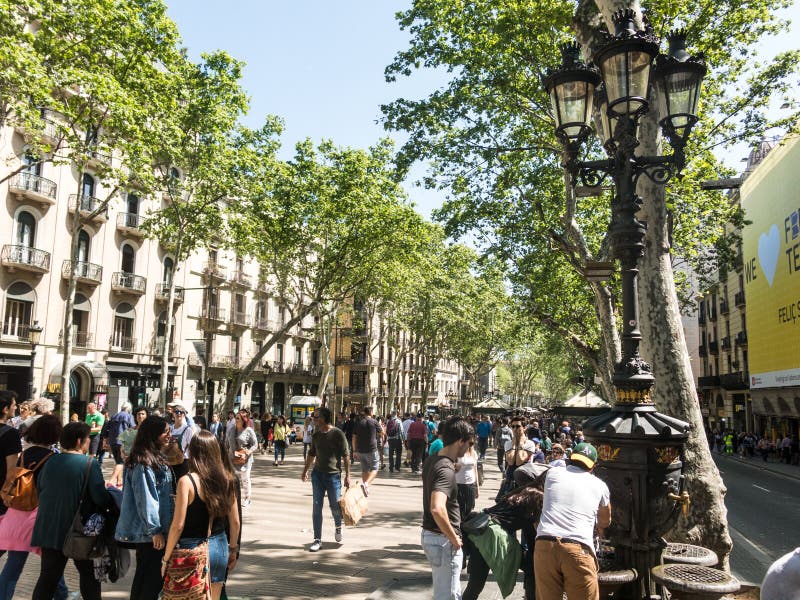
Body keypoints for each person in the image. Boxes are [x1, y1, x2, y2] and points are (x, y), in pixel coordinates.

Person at [31, 421, 112, 600]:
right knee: (89, 578)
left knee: (47, 578)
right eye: (87, 439)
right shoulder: (89, 463)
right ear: (78, 441)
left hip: (49, 529)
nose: (89, 442)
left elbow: (40, 489)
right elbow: (100, 497)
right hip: (79, 531)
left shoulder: (50, 461)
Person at [162, 431, 240, 600]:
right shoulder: (228, 479)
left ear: (193, 452)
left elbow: (178, 525)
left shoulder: (186, 482)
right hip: (219, 546)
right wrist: (233, 548)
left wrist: (166, 558)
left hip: (191, 548)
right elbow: (235, 521)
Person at [0, 415, 69, 600]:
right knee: (51, 564)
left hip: (16, 517)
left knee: (13, 565)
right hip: (41, 517)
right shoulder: (54, 459)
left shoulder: (23, 455)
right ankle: (62, 595)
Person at [534, 442, 611, 600]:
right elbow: (605, 520)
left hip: (544, 545)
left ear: (569, 459)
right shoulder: (600, 486)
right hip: (577, 549)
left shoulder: (553, 473)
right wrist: (600, 527)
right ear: (593, 466)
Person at [114, 415, 174, 599]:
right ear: (153, 434)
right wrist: (154, 530)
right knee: (149, 581)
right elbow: (146, 499)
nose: (169, 435)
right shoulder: (143, 463)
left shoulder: (153, 458)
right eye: (165, 432)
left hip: (154, 531)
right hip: (150, 534)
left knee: (145, 579)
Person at [421, 416, 474, 600]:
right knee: (449, 596)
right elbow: (437, 508)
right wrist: (454, 539)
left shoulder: (433, 460)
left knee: (442, 593)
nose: (469, 448)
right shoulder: (445, 469)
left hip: (433, 536)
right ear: (460, 441)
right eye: (469, 443)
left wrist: (453, 466)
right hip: (443, 540)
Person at [301, 406, 350, 552]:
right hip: (317, 475)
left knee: (335, 506)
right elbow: (311, 454)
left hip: (333, 476)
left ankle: (338, 526)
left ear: (323, 418)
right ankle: (317, 539)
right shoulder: (316, 435)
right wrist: (305, 471)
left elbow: (346, 455)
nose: (313, 419)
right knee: (317, 507)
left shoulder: (337, 434)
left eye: (316, 417)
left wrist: (348, 475)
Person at [352, 406, 381, 497]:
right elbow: (382, 432)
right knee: (374, 469)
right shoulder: (374, 422)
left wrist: (354, 450)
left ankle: (366, 489)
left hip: (360, 450)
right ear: (371, 412)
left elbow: (354, 437)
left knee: (365, 469)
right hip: (372, 450)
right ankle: (366, 484)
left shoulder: (358, 422)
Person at [107, 402, 136, 487]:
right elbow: (132, 428)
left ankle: (119, 481)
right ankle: (111, 481)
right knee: (121, 462)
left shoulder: (114, 416)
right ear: (129, 409)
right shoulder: (129, 416)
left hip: (113, 441)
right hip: (123, 441)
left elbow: (107, 427)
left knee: (117, 461)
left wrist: (106, 440)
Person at [233, 412, 258, 507]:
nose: (236, 420)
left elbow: (255, 444)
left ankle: (247, 498)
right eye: (236, 418)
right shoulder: (232, 429)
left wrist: (247, 452)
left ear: (244, 420)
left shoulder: (249, 431)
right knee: (233, 479)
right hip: (233, 458)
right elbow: (227, 442)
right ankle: (234, 497)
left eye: (238, 418)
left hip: (245, 460)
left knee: (245, 478)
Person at [169, 403, 194, 479]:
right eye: (176, 412)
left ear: (184, 415)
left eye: (181, 412)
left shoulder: (188, 430)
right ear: (173, 414)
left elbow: (192, 447)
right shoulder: (170, 429)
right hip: (171, 460)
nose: (179, 414)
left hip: (183, 462)